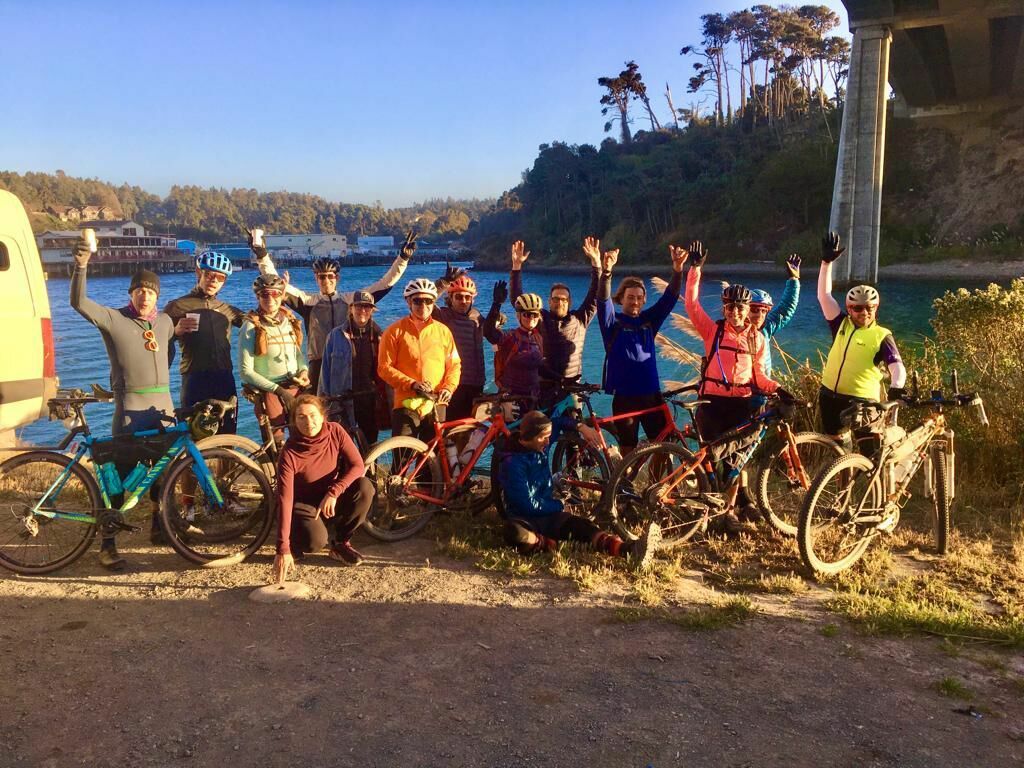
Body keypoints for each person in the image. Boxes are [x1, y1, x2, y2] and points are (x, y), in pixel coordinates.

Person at [69, 236, 175, 570]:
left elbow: (167, 353)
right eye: (139, 290)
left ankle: (160, 528)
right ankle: (108, 544)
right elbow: (79, 302)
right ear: (131, 294)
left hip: (163, 410)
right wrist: (81, 265)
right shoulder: (113, 319)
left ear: (157, 296)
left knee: (163, 474)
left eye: (151, 291)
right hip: (129, 411)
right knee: (118, 480)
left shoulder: (166, 322)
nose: (145, 296)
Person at [682, 241, 783, 531]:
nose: (734, 311)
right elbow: (691, 304)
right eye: (729, 306)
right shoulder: (712, 331)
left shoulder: (757, 339)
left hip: (740, 404)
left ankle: (727, 513)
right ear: (724, 308)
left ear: (747, 308)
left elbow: (759, 377)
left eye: (739, 307)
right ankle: (706, 513)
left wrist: (778, 389)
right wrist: (695, 268)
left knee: (734, 464)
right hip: (711, 403)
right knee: (707, 462)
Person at [250, 229, 414, 392]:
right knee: (316, 405)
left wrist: (403, 259)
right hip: (318, 362)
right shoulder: (308, 302)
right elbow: (274, 282)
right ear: (316, 278)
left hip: (348, 361)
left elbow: (384, 284)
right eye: (321, 276)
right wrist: (261, 254)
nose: (326, 280)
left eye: (330, 276)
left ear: (337, 278)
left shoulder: (351, 300)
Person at [498, 411, 660, 569]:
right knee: (513, 532)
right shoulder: (512, 464)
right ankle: (550, 545)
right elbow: (527, 505)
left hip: (550, 515)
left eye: (549, 437)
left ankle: (629, 550)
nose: (548, 442)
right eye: (544, 438)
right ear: (531, 437)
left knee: (583, 526)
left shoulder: (538, 445)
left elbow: (558, 422)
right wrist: (559, 505)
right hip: (527, 519)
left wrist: (582, 427)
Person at [272, 395, 376, 583]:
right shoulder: (289, 452)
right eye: (301, 417)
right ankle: (295, 539)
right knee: (315, 543)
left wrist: (334, 491)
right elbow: (285, 500)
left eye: (313, 415)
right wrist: (282, 548)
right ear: (294, 421)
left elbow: (358, 465)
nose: (308, 422)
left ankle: (341, 543)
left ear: (322, 416)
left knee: (365, 487)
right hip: (303, 505)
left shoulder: (335, 431)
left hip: (329, 498)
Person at [597, 244, 686, 453]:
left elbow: (670, 298)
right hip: (625, 398)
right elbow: (602, 301)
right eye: (630, 297)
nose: (635, 301)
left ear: (644, 299)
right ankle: (625, 476)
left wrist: (678, 269)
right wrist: (607, 272)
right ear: (621, 298)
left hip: (651, 395)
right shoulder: (612, 323)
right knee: (628, 450)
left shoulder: (649, 321)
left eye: (639, 297)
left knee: (662, 447)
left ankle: (656, 477)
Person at [817, 232, 906, 438]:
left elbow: (896, 366)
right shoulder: (840, 324)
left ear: (876, 308)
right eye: (857, 308)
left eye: (869, 307)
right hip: (830, 396)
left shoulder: (881, 335)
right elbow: (824, 296)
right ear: (849, 309)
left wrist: (896, 387)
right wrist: (826, 263)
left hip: (863, 402)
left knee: (869, 449)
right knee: (838, 447)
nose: (864, 312)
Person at [163, 250, 244, 435]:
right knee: (193, 434)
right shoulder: (177, 306)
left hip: (224, 377)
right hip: (194, 378)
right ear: (198, 273)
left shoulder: (227, 309)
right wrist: (174, 331)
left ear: (224, 281)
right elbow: (156, 339)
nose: (214, 281)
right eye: (209, 275)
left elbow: (257, 322)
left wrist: (281, 304)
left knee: (227, 433)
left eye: (220, 277)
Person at [509, 237, 600, 388]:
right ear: (549, 301)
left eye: (564, 299)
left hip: (572, 386)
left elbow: (595, 294)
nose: (560, 302)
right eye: (556, 299)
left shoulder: (580, 319)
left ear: (570, 302)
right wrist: (516, 266)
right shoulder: (540, 319)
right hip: (543, 385)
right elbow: (519, 302)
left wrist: (596, 264)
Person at [377, 278, 461, 441]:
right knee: (403, 453)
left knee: (433, 453)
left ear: (434, 302)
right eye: (417, 301)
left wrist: (449, 388)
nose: (423, 305)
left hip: (437, 401)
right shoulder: (394, 331)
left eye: (428, 301)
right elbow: (384, 368)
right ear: (408, 302)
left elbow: (454, 365)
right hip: (406, 402)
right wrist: (412, 384)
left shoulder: (443, 331)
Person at [238, 273, 309, 447]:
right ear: (258, 297)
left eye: (275, 293)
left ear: (282, 295)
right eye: (264, 294)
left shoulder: (289, 320)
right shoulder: (251, 326)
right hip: (269, 391)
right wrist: (278, 391)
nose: (270, 299)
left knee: (306, 436)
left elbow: (297, 355)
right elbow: (246, 372)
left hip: (294, 385)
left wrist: (304, 371)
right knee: (277, 443)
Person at [318, 291, 389, 444]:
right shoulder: (335, 335)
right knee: (341, 446)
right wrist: (323, 402)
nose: (362, 310)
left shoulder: (381, 337)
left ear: (372, 310)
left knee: (370, 446)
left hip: (369, 401)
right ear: (351, 308)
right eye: (358, 306)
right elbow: (325, 371)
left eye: (367, 307)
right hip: (341, 401)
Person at [431, 268, 501, 420]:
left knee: (472, 428)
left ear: (472, 299)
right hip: (453, 384)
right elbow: (428, 300)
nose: (463, 301)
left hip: (476, 383)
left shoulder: (476, 316)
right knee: (451, 428)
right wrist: (444, 283)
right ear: (450, 298)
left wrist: (496, 309)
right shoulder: (442, 316)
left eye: (467, 297)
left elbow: (490, 332)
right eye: (459, 297)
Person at [484, 284, 546, 403]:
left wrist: (562, 379)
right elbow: (488, 332)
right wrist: (496, 304)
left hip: (533, 397)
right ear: (518, 316)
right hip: (510, 398)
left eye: (535, 314)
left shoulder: (539, 338)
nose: (531, 318)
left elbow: (540, 367)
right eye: (527, 314)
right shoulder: (510, 337)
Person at [748, 253, 802, 377]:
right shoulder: (732, 331)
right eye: (754, 309)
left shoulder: (766, 328)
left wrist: (794, 279)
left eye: (764, 311)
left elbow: (786, 307)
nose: (759, 314)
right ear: (745, 309)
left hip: (763, 386)